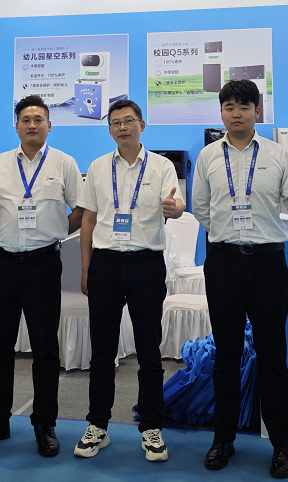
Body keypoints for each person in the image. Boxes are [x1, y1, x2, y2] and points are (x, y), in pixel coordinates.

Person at [192, 79, 288, 478]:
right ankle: (222, 439)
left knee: (273, 354)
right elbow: (201, 208)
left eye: (244, 106)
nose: (236, 113)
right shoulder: (208, 156)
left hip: (267, 263)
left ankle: (281, 445)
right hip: (223, 262)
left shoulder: (277, 154)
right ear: (221, 113)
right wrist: (227, 235)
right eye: (229, 106)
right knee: (225, 355)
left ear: (258, 111)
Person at [0, 94, 83, 457]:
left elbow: (81, 209)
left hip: (44, 266)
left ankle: (44, 423)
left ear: (49, 125)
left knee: (45, 350)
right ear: (16, 126)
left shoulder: (64, 163)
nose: (32, 124)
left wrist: (56, 230)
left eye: (38, 119)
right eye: (25, 119)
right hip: (4, 265)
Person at [74, 99, 184, 462]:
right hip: (105, 264)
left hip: (145, 265)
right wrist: (86, 267)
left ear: (142, 124)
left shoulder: (162, 166)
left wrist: (174, 209)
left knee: (149, 352)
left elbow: (177, 206)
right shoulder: (98, 167)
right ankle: (98, 425)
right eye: (116, 123)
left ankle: (152, 427)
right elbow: (89, 219)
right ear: (109, 130)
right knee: (102, 352)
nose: (123, 127)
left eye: (129, 121)